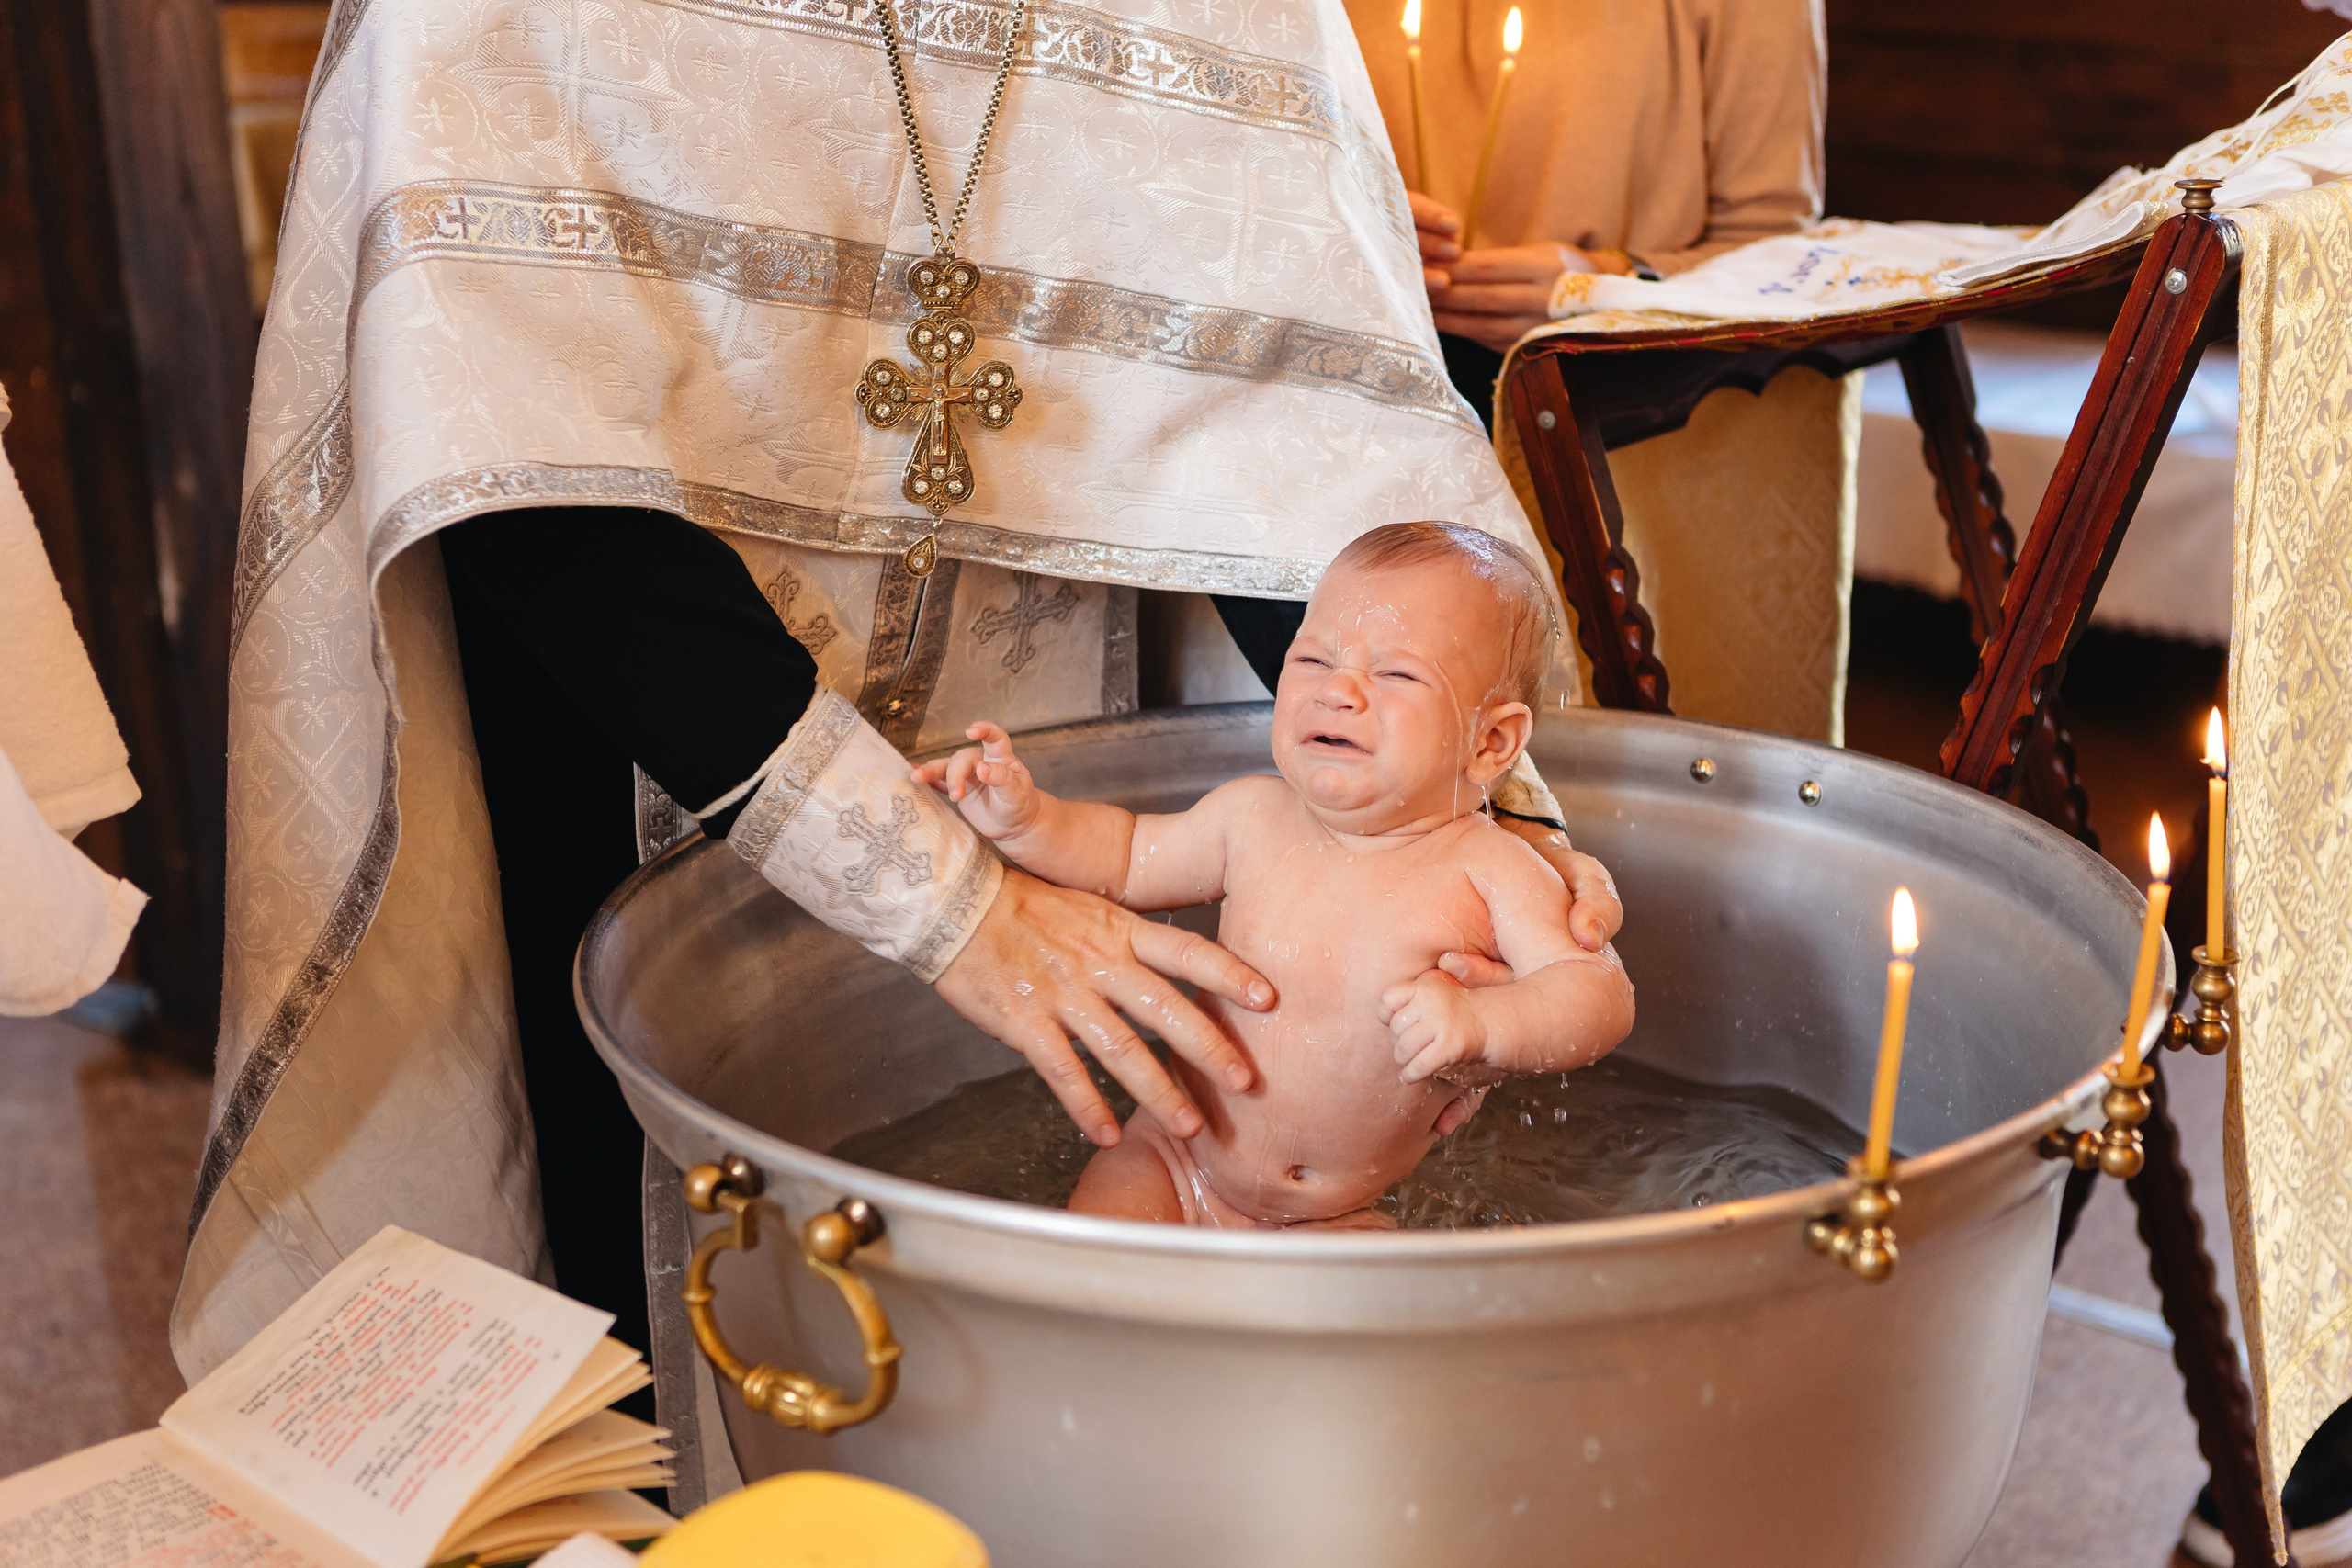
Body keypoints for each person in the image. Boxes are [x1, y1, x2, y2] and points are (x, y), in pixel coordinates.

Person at [175, 0, 1626, 1379]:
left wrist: (1492, 831)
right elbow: (512, 443)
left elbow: (1301, 423)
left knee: (1157, 1367)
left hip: (1064, 666)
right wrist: (956, 899)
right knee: (658, 1333)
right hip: (623, 726)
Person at [921, 524, 1634, 1227]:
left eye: (1395, 673)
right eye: (1313, 660)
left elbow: (1597, 993)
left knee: (1381, 1321)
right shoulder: (1252, 816)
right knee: (1090, 1279)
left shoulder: (1492, 868)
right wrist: (1024, 820)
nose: (1338, 691)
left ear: (1492, 741)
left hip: (1336, 1216)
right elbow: (1124, 855)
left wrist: (1488, 1022)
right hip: (1172, 1160)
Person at [1345, 0, 1827, 426]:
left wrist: (1607, 281)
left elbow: (1773, 239)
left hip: (1612, 409)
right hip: (1363, 394)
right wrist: (1337, 209)